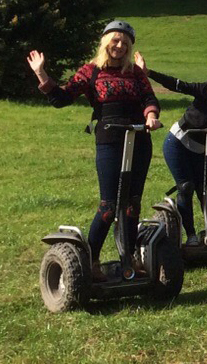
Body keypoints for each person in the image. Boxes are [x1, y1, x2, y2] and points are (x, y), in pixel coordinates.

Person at [27, 20, 161, 279]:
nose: (120, 46)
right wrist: (41, 74)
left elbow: (149, 98)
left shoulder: (135, 72)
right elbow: (62, 98)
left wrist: (151, 115)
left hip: (139, 138)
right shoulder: (91, 72)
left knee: (132, 204)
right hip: (109, 139)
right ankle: (92, 260)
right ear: (105, 42)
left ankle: (130, 257)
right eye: (115, 40)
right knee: (109, 205)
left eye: (125, 42)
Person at [138, 53, 207, 246]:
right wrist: (148, 72)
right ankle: (191, 235)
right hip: (178, 142)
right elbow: (179, 85)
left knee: (206, 190)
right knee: (186, 187)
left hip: (202, 148)